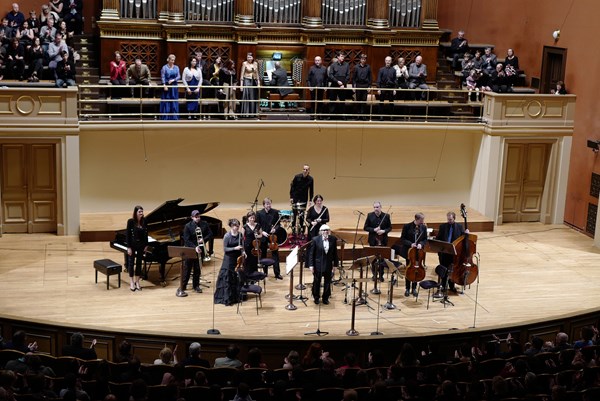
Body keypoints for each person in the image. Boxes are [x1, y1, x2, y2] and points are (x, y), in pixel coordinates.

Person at [180, 209, 213, 297]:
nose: (198, 218)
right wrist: (195, 247)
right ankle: (183, 287)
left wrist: (204, 239)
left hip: (201, 249)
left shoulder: (204, 224)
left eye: (198, 216)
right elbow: (186, 239)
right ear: (192, 217)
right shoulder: (188, 226)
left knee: (197, 269)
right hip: (190, 249)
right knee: (187, 269)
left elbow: (210, 234)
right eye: (196, 217)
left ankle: (196, 286)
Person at [434, 211, 466, 297]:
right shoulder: (443, 226)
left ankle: (452, 286)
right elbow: (439, 238)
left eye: (451, 219)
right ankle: (444, 286)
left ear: (454, 218)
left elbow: (463, 238)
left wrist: (466, 233)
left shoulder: (459, 227)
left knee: (452, 270)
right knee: (444, 269)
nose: (449, 221)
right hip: (444, 252)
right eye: (448, 219)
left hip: (454, 253)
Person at [397, 213, 427, 297]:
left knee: (417, 270)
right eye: (421, 220)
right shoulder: (407, 226)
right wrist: (411, 244)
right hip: (409, 252)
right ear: (416, 219)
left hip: (419, 253)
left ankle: (414, 288)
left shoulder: (423, 227)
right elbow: (402, 239)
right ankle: (407, 288)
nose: (423, 222)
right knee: (409, 269)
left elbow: (425, 239)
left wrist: (421, 243)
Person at [308, 225, 339, 305]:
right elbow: (311, 254)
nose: (325, 231)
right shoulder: (315, 239)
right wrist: (311, 265)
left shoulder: (333, 239)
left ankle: (325, 298)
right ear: (321, 231)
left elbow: (335, 253)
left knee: (327, 282)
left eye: (327, 230)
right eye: (324, 230)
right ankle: (316, 297)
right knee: (317, 282)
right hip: (318, 265)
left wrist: (335, 265)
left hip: (328, 264)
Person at [214, 218, 242, 306]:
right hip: (229, 259)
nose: (236, 228)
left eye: (237, 226)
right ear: (231, 226)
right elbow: (225, 249)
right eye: (234, 226)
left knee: (236, 277)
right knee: (228, 278)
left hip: (237, 258)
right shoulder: (227, 236)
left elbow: (242, 246)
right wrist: (235, 248)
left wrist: (243, 252)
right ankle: (227, 298)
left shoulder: (240, 235)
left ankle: (236, 297)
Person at [364, 201, 392, 281]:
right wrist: (373, 229)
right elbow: (365, 227)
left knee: (382, 259)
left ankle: (381, 275)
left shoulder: (386, 216)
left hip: (383, 241)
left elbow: (390, 228)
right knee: (373, 259)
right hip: (373, 241)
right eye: (374, 207)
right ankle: (374, 274)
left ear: (380, 207)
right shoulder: (370, 215)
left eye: (377, 207)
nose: (376, 209)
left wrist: (383, 231)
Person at [256, 198, 282, 279]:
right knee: (263, 254)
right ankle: (265, 273)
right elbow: (257, 225)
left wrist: (275, 229)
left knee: (275, 255)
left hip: (272, 237)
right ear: (264, 205)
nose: (268, 205)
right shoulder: (259, 213)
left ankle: (277, 273)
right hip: (264, 236)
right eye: (267, 204)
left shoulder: (275, 212)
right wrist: (262, 232)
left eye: (269, 203)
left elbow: (278, 224)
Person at [126, 205, 148, 292]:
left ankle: (137, 282)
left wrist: (146, 245)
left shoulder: (144, 221)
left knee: (139, 263)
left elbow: (146, 234)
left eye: (142, 212)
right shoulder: (130, 221)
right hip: (132, 245)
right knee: (131, 263)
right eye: (139, 212)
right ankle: (131, 282)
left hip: (141, 246)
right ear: (135, 212)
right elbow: (128, 235)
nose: (141, 213)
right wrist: (128, 247)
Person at [289, 164, 314, 236]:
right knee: (294, 214)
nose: (305, 171)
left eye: (307, 170)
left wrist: (310, 200)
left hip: (304, 199)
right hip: (295, 198)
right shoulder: (297, 177)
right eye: (304, 169)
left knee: (302, 215)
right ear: (302, 169)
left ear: (309, 171)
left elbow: (311, 190)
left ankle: (301, 231)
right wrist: (291, 197)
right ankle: (293, 230)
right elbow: (292, 187)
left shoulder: (311, 179)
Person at [327, 51, 350, 119]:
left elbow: (348, 76)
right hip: (334, 84)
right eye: (341, 56)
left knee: (342, 101)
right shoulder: (333, 65)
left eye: (343, 56)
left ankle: (342, 115)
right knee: (332, 100)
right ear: (338, 57)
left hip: (343, 86)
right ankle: (331, 115)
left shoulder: (347, 65)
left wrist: (343, 84)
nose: (343, 57)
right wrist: (337, 81)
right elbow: (330, 75)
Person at [160, 54, 180, 120]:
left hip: (174, 86)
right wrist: (164, 85)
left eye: (174, 60)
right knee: (167, 100)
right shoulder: (164, 67)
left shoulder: (176, 67)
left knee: (174, 100)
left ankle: (174, 116)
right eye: (171, 60)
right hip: (167, 85)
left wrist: (173, 80)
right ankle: (166, 116)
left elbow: (178, 76)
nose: (173, 61)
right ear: (168, 60)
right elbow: (163, 77)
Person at [239, 52, 259, 118]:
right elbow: (242, 74)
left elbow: (257, 74)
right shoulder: (244, 63)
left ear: (252, 58)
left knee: (253, 97)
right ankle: (246, 113)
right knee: (247, 96)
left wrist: (258, 83)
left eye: (250, 57)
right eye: (248, 57)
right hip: (246, 81)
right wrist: (241, 85)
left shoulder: (255, 63)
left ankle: (253, 113)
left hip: (254, 81)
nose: (249, 58)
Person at [352, 53, 371, 119]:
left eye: (364, 59)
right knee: (358, 100)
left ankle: (363, 115)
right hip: (358, 85)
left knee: (364, 100)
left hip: (365, 85)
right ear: (360, 59)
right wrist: (353, 87)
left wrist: (369, 86)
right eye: (362, 59)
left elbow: (370, 77)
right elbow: (353, 78)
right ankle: (358, 114)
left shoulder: (368, 67)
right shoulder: (356, 67)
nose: (363, 60)